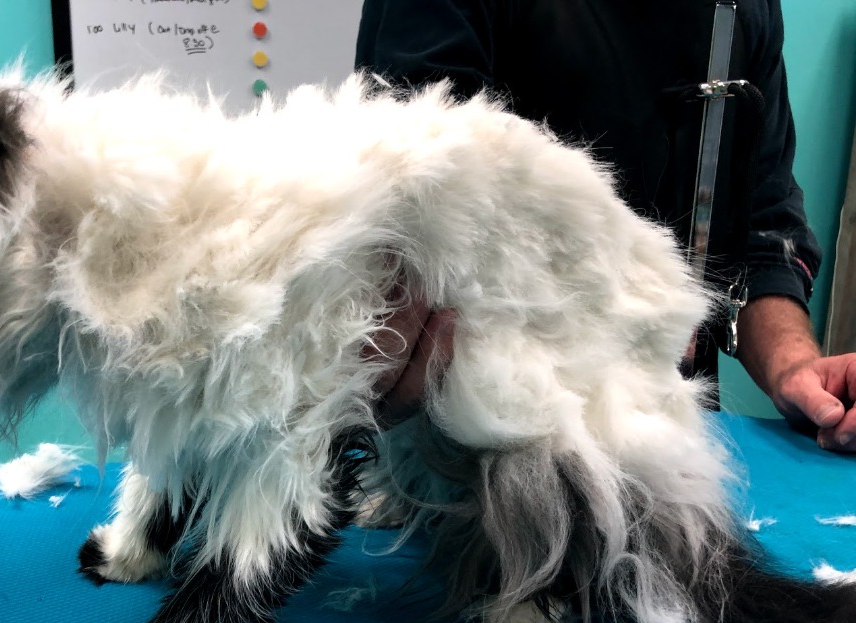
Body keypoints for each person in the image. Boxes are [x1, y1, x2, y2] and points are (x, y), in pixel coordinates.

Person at [355, 0, 856, 452]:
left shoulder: (748, 9)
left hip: (665, 428)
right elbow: (422, 197)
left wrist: (794, 365)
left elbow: (763, 228)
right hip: (474, 430)